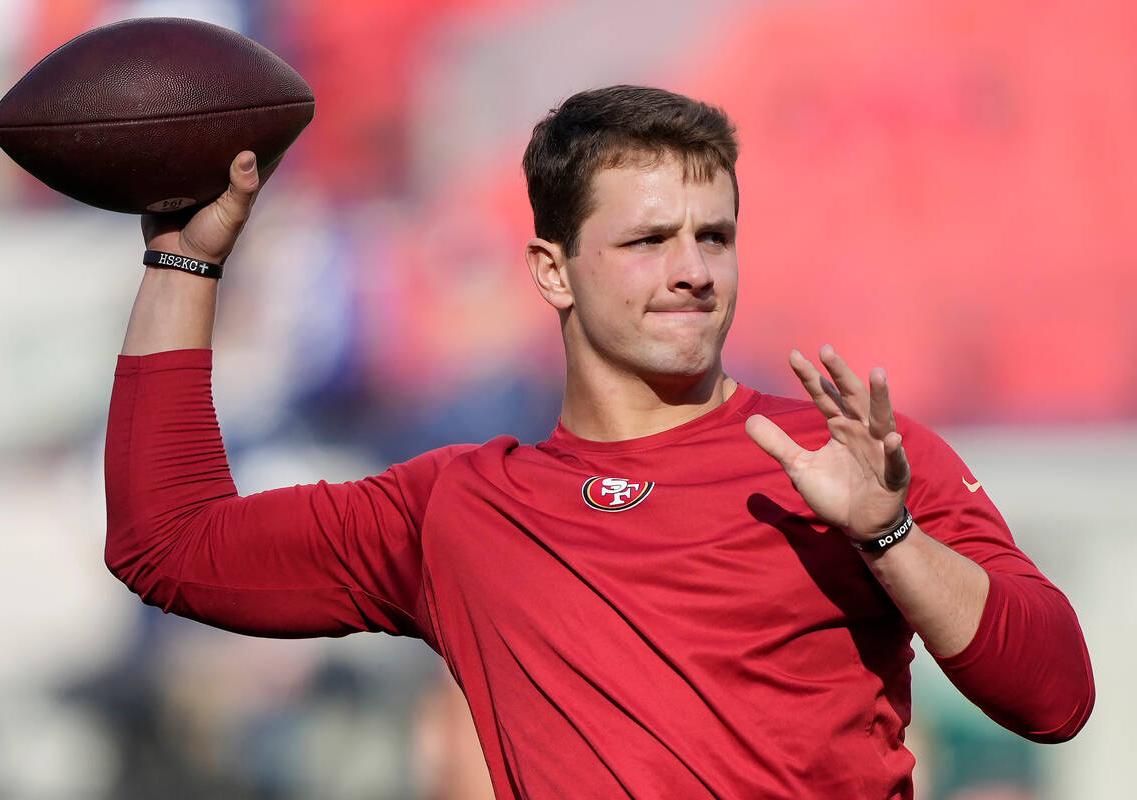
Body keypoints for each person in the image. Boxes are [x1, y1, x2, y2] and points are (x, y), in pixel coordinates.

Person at [105, 86, 1094, 799]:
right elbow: (170, 543)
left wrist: (890, 537)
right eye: (647, 240)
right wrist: (184, 260)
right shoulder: (461, 508)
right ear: (552, 269)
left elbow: (1055, 696)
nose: (693, 270)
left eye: (715, 236)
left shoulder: (854, 457)